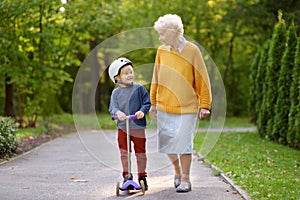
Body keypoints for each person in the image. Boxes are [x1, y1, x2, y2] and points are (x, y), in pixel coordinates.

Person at [149, 14, 212, 193]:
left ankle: (186, 178)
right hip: (164, 105)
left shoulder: (192, 51)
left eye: (162, 34)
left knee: (184, 143)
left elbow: (202, 78)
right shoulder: (161, 51)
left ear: (172, 32)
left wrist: (205, 105)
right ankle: (176, 172)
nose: (160, 38)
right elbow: (156, 76)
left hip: (187, 107)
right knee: (168, 142)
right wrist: (153, 102)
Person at [108, 57, 151, 190]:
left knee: (140, 153)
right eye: (126, 73)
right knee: (124, 152)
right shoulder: (116, 93)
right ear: (117, 78)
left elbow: (146, 102)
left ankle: (142, 176)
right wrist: (117, 113)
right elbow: (112, 108)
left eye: (131, 72)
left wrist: (142, 111)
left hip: (138, 127)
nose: (130, 75)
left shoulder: (139, 89)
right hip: (123, 128)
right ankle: (127, 175)